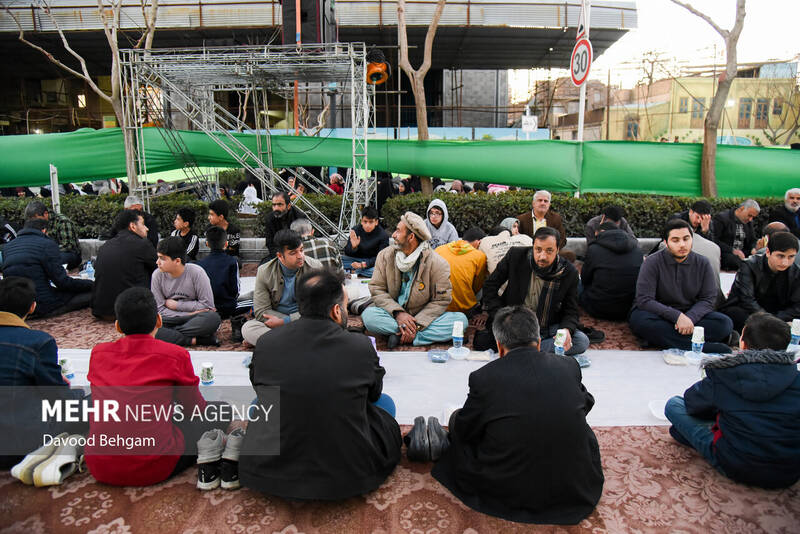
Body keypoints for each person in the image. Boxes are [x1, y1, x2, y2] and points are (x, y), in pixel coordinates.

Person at [430, 306, 603, 524]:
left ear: (500, 348)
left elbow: (467, 430)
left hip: (508, 487)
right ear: (539, 343)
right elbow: (586, 403)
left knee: (460, 431)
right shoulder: (568, 365)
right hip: (572, 487)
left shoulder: (484, 378)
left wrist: (455, 420)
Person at [240, 268, 401, 499]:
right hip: (350, 474)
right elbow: (374, 394)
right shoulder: (359, 346)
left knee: (260, 403)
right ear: (336, 311)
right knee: (386, 405)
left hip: (268, 471)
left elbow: (259, 386)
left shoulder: (267, 343)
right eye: (345, 306)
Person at [85, 287, 229, 486]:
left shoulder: (98, 353)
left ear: (118, 326)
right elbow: (194, 410)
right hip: (154, 466)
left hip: (100, 465)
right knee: (223, 410)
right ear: (159, 321)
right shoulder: (174, 355)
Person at [665, 312, 800, 489]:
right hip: (788, 473)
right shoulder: (796, 378)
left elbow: (691, 404)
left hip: (735, 464)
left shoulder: (726, 373)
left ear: (743, 343)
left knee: (674, 405)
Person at [0, 277, 87, 471]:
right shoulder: (37, 342)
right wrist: (79, 394)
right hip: (19, 445)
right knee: (99, 403)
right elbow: (60, 398)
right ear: (32, 307)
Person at [362, 212, 467, 348]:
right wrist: (398, 313)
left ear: (411, 237)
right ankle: (418, 335)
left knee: (460, 320)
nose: (393, 235)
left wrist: (417, 323)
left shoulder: (438, 263)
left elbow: (441, 300)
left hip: (424, 317)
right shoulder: (385, 256)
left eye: (398, 231)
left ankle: (405, 334)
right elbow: (377, 288)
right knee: (369, 316)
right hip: (392, 314)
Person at [482, 227, 589, 359]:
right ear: (532, 247)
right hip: (514, 324)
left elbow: (571, 310)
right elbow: (490, 286)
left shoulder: (568, 272)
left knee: (581, 341)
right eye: (538, 249)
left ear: (557, 250)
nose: (542, 256)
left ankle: (519, 349)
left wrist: (566, 329)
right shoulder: (516, 256)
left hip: (545, 326)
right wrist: (501, 315)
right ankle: (533, 349)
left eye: (549, 251)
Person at [629, 219, 734, 353]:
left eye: (686, 239)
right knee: (641, 322)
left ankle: (666, 340)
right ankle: (702, 346)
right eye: (675, 240)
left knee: (724, 324)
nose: (682, 245)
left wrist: (689, 318)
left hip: (690, 313)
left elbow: (708, 299)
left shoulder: (703, 263)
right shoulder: (652, 262)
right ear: (666, 243)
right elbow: (644, 300)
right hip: (659, 313)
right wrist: (677, 317)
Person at [241, 230, 322, 346]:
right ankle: (297, 343)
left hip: (305, 321)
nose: (300, 256)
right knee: (248, 328)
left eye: (302, 250)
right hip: (279, 322)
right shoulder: (264, 271)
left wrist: (285, 322)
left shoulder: (315, 268)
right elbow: (261, 311)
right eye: (293, 253)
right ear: (280, 256)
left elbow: (318, 309)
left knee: (324, 321)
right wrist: (283, 323)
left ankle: (273, 343)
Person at [1, 218, 93, 318]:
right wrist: (91, 284)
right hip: (41, 304)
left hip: (15, 305)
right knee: (93, 293)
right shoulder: (46, 244)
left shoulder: (8, 247)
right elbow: (63, 283)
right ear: (44, 230)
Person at [720, 231, 800, 332]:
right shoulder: (749, 265)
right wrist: (772, 321)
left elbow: (797, 306)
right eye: (780, 256)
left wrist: (777, 319)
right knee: (738, 315)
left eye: (791, 257)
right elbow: (747, 300)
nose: (785, 262)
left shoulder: (796, 272)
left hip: (778, 314)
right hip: (749, 312)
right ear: (767, 252)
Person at [151, 237, 221, 347]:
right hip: (170, 319)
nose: (157, 262)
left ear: (177, 261)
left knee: (213, 318)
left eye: (162, 258)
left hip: (193, 319)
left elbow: (207, 305)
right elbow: (159, 309)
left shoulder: (197, 273)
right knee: (149, 323)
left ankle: (168, 335)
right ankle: (196, 340)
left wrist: (177, 305)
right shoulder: (157, 275)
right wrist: (186, 315)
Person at [92, 210, 157, 320]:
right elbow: (159, 268)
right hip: (130, 311)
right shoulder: (142, 244)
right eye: (143, 224)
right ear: (133, 226)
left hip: (101, 310)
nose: (147, 228)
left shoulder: (106, 245)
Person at [580, 221, 643, 320]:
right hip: (629, 308)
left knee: (574, 282)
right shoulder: (637, 250)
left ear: (602, 232)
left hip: (598, 308)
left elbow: (585, 279)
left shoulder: (594, 249)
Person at [435, 227, 488, 316]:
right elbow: (477, 286)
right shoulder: (479, 256)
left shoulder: (439, 249)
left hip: (437, 304)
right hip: (462, 308)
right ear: (479, 242)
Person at [196, 226, 240, 320]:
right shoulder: (232, 261)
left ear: (207, 244)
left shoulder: (200, 264)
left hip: (207, 308)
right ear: (226, 244)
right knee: (252, 301)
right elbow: (235, 290)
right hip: (227, 308)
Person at [24, 200, 82, 269]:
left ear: (45, 214)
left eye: (36, 219)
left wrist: (48, 252)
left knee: (52, 260)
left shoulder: (62, 221)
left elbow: (68, 246)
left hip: (67, 254)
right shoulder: (35, 225)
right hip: (45, 253)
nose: (34, 222)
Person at [342, 206, 390, 278]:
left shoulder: (383, 235)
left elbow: (381, 258)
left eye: (371, 222)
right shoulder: (356, 230)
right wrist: (353, 247)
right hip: (354, 260)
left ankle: (353, 271)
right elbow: (347, 252)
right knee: (337, 260)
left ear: (376, 222)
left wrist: (363, 265)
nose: (367, 225)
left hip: (371, 263)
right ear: (361, 221)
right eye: (365, 222)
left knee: (383, 271)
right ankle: (356, 271)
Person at [713, 199, 760, 271]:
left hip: (743, 254)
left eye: (753, 217)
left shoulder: (748, 222)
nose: (750, 219)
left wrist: (754, 248)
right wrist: (732, 250)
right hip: (726, 253)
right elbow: (714, 240)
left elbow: (752, 240)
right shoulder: (722, 218)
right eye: (749, 215)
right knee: (735, 260)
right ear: (741, 209)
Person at [263, 191, 303, 259]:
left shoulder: (299, 217)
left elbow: (303, 241)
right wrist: (280, 257)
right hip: (279, 255)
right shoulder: (270, 218)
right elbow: (270, 243)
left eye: (280, 205)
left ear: (288, 206)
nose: (276, 208)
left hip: (297, 253)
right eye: (274, 205)